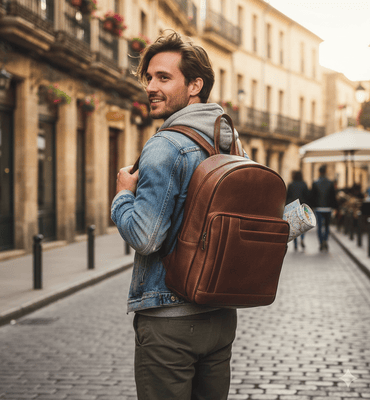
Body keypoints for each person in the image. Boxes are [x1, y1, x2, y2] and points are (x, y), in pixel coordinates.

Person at [111, 31, 242, 399]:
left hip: (170, 320)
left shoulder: (165, 145)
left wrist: (123, 194)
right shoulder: (229, 141)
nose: (151, 86)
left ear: (195, 85)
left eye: (164, 78)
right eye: (149, 77)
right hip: (220, 315)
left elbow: (146, 237)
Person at [310, 164, 337, 251]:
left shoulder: (315, 183)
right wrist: (335, 207)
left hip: (318, 208)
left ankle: (321, 242)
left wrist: (312, 207)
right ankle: (325, 240)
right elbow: (333, 196)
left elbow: (312, 197)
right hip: (328, 208)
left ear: (319, 172)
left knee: (319, 226)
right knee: (327, 226)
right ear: (325, 172)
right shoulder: (330, 183)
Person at [286, 170, 310, 251]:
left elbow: (287, 195)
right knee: (303, 224)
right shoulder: (304, 184)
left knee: (294, 225)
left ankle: (295, 243)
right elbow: (307, 195)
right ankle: (302, 239)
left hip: (293, 206)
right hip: (302, 206)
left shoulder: (291, 184)